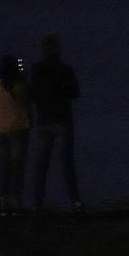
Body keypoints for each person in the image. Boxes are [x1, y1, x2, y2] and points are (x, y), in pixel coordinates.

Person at [30, 33, 84, 212]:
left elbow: (33, 94)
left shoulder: (36, 69)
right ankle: (75, 201)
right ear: (58, 50)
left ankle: (38, 202)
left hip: (44, 120)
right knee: (67, 162)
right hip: (62, 119)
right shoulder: (66, 70)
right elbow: (75, 93)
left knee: (42, 164)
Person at [0, 55, 30, 216]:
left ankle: (3, 201)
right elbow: (28, 100)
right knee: (17, 168)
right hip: (18, 129)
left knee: (4, 167)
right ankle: (16, 202)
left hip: (0, 129)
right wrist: (23, 77)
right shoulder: (20, 86)